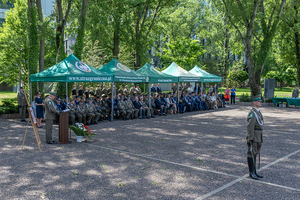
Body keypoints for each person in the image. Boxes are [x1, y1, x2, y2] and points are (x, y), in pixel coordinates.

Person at [246, 95, 264, 180]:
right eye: (258, 101)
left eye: (260, 101)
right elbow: (250, 127)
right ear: (254, 102)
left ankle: (255, 171)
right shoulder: (252, 113)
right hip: (254, 136)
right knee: (251, 153)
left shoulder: (257, 112)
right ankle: (251, 172)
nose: (260, 102)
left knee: (255, 153)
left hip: (258, 135)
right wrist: (250, 138)